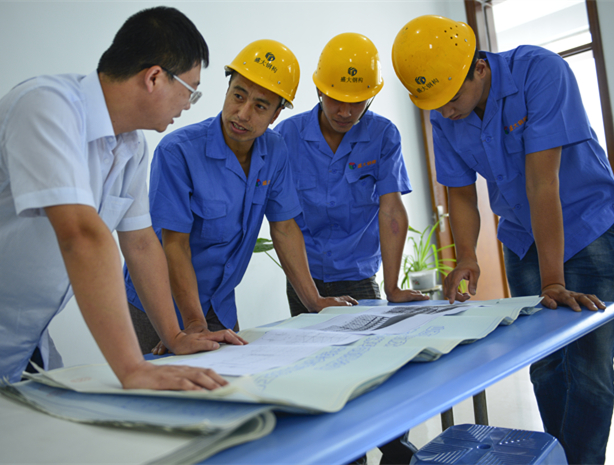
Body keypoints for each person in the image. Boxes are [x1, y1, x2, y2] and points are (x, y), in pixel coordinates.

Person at [392, 15, 614, 465]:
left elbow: (542, 183)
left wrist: (553, 282)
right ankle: (556, 456)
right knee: (546, 363)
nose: (445, 112)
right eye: (435, 104)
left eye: (451, 99)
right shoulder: (443, 110)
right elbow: (460, 193)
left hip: (587, 224)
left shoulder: (541, 72)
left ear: (479, 68)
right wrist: (467, 256)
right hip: (521, 239)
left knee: (589, 370)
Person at [0, 6, 244, 391]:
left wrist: (175, 336)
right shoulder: (47, 107)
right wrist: (132, 368)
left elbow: (141, 243)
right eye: (191, 91)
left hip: (25, 341)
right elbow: (81, 235)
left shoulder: (130, 146)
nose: (188, 104)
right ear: (154, 77)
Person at [124, 39, 356, 356]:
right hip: (158, 306)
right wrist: (193, 323)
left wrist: (314, 301)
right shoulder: (178, 152)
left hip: (218, 304)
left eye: (260, 106)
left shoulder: (275, 151)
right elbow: (174, 245)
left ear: (276, 114)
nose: (243, 114)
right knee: (165, 384)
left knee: (228, 380)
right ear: (227, 90)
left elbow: (285, 228)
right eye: (238, 96)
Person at [275, 32, 426, 465]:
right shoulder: (286, 137)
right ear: (319, 89)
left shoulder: (382, 135)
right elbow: (283, 222)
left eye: (356, 102)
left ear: (371, 97)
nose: (344, 111)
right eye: (336, 99)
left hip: (359, 276)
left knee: (376, 375)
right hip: (305, 279)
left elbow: (391, 209)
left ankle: (396, 451)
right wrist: (311, 298)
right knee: (320, 377)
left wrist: (393, 287)